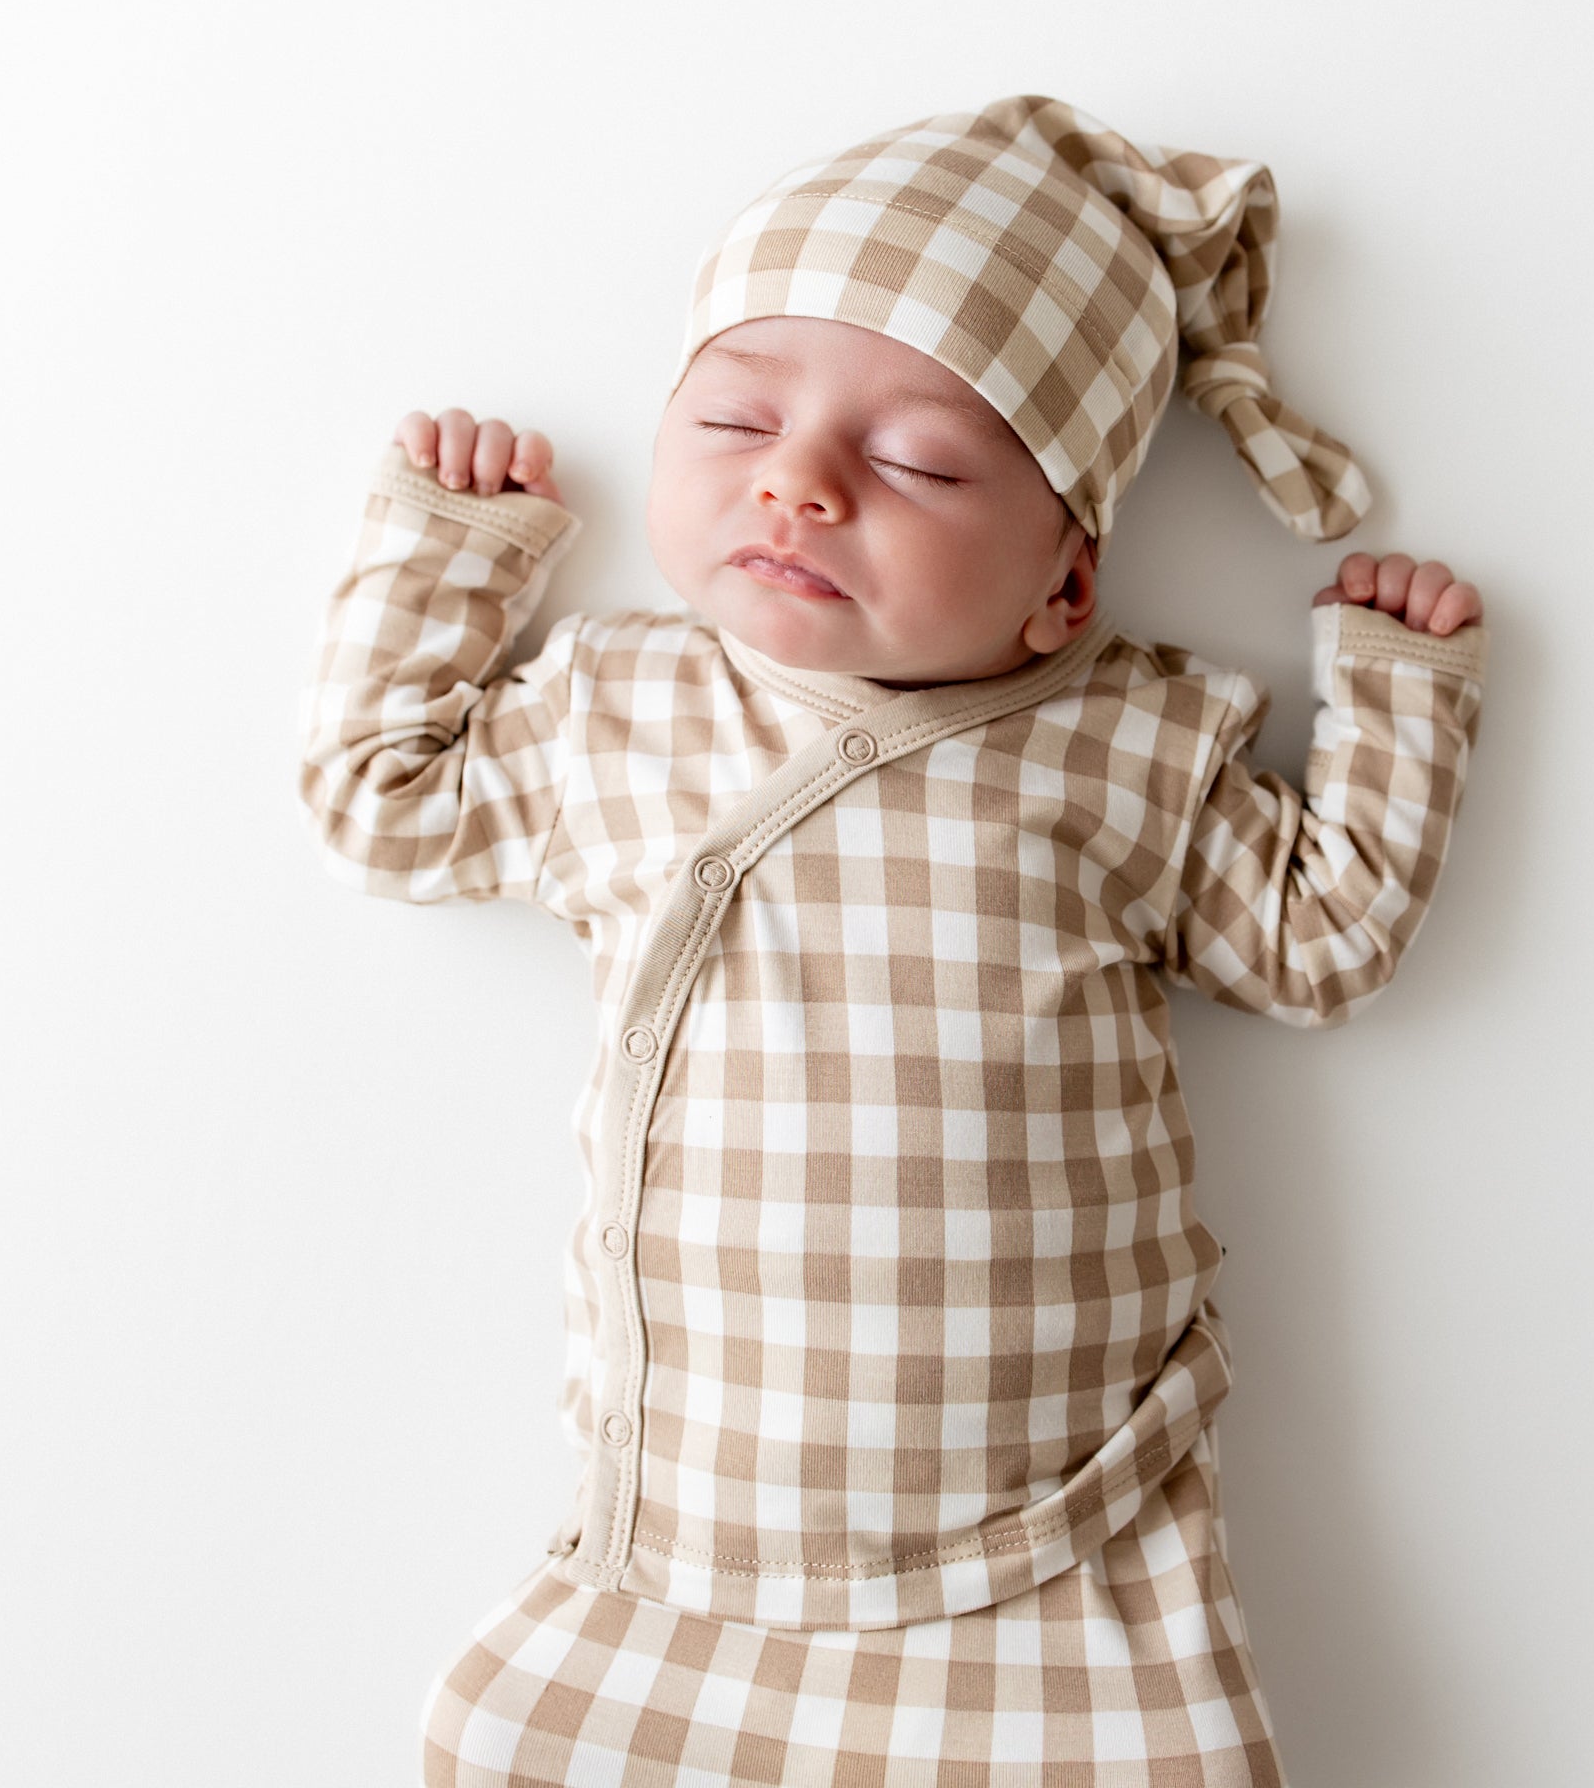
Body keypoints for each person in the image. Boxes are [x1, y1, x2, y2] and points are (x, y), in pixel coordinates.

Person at [297, 94, 1490, 1786]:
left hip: (1067, 1524)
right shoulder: (624, 712)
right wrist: (453, 556)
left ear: (1064, 585)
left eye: (919, 459)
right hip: (697, 1529)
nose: (797, 481)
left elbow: (1320, 940)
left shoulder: (1125, 749)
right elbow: (380, 804)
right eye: (732, 418)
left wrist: (1399, 705)